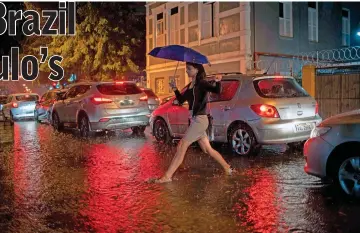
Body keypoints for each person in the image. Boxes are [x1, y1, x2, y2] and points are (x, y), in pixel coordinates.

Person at [154, 62, 234, 183]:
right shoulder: (192, 85)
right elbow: (181, 100)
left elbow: (216, 90)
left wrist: (218, 81)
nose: (187, 71)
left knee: (182, 145)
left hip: (200, 120)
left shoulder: (202, 83)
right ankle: (227, 168)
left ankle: (167, 176)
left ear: (197, 70)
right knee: (207, 150)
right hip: (195, 120)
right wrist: (175, 88)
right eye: (186, 68)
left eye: (189, 69)